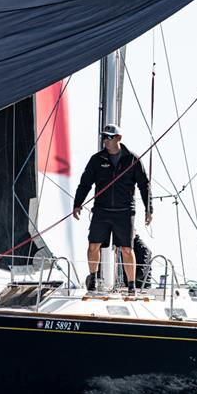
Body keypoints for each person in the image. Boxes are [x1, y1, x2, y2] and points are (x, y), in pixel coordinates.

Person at [73, 124, 152, 294]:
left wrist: (148, 209)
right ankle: (93, 279)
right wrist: (77, 204)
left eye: (109, 137)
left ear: (118, 138)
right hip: (101, 209)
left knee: (126, 249)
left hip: (124, 211)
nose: (106, 141)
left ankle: (131, 286)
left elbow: (144, 186)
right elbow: (85, 183)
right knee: (93, 245)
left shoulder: (132, 159)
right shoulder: (97, 159)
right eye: (104, 137)